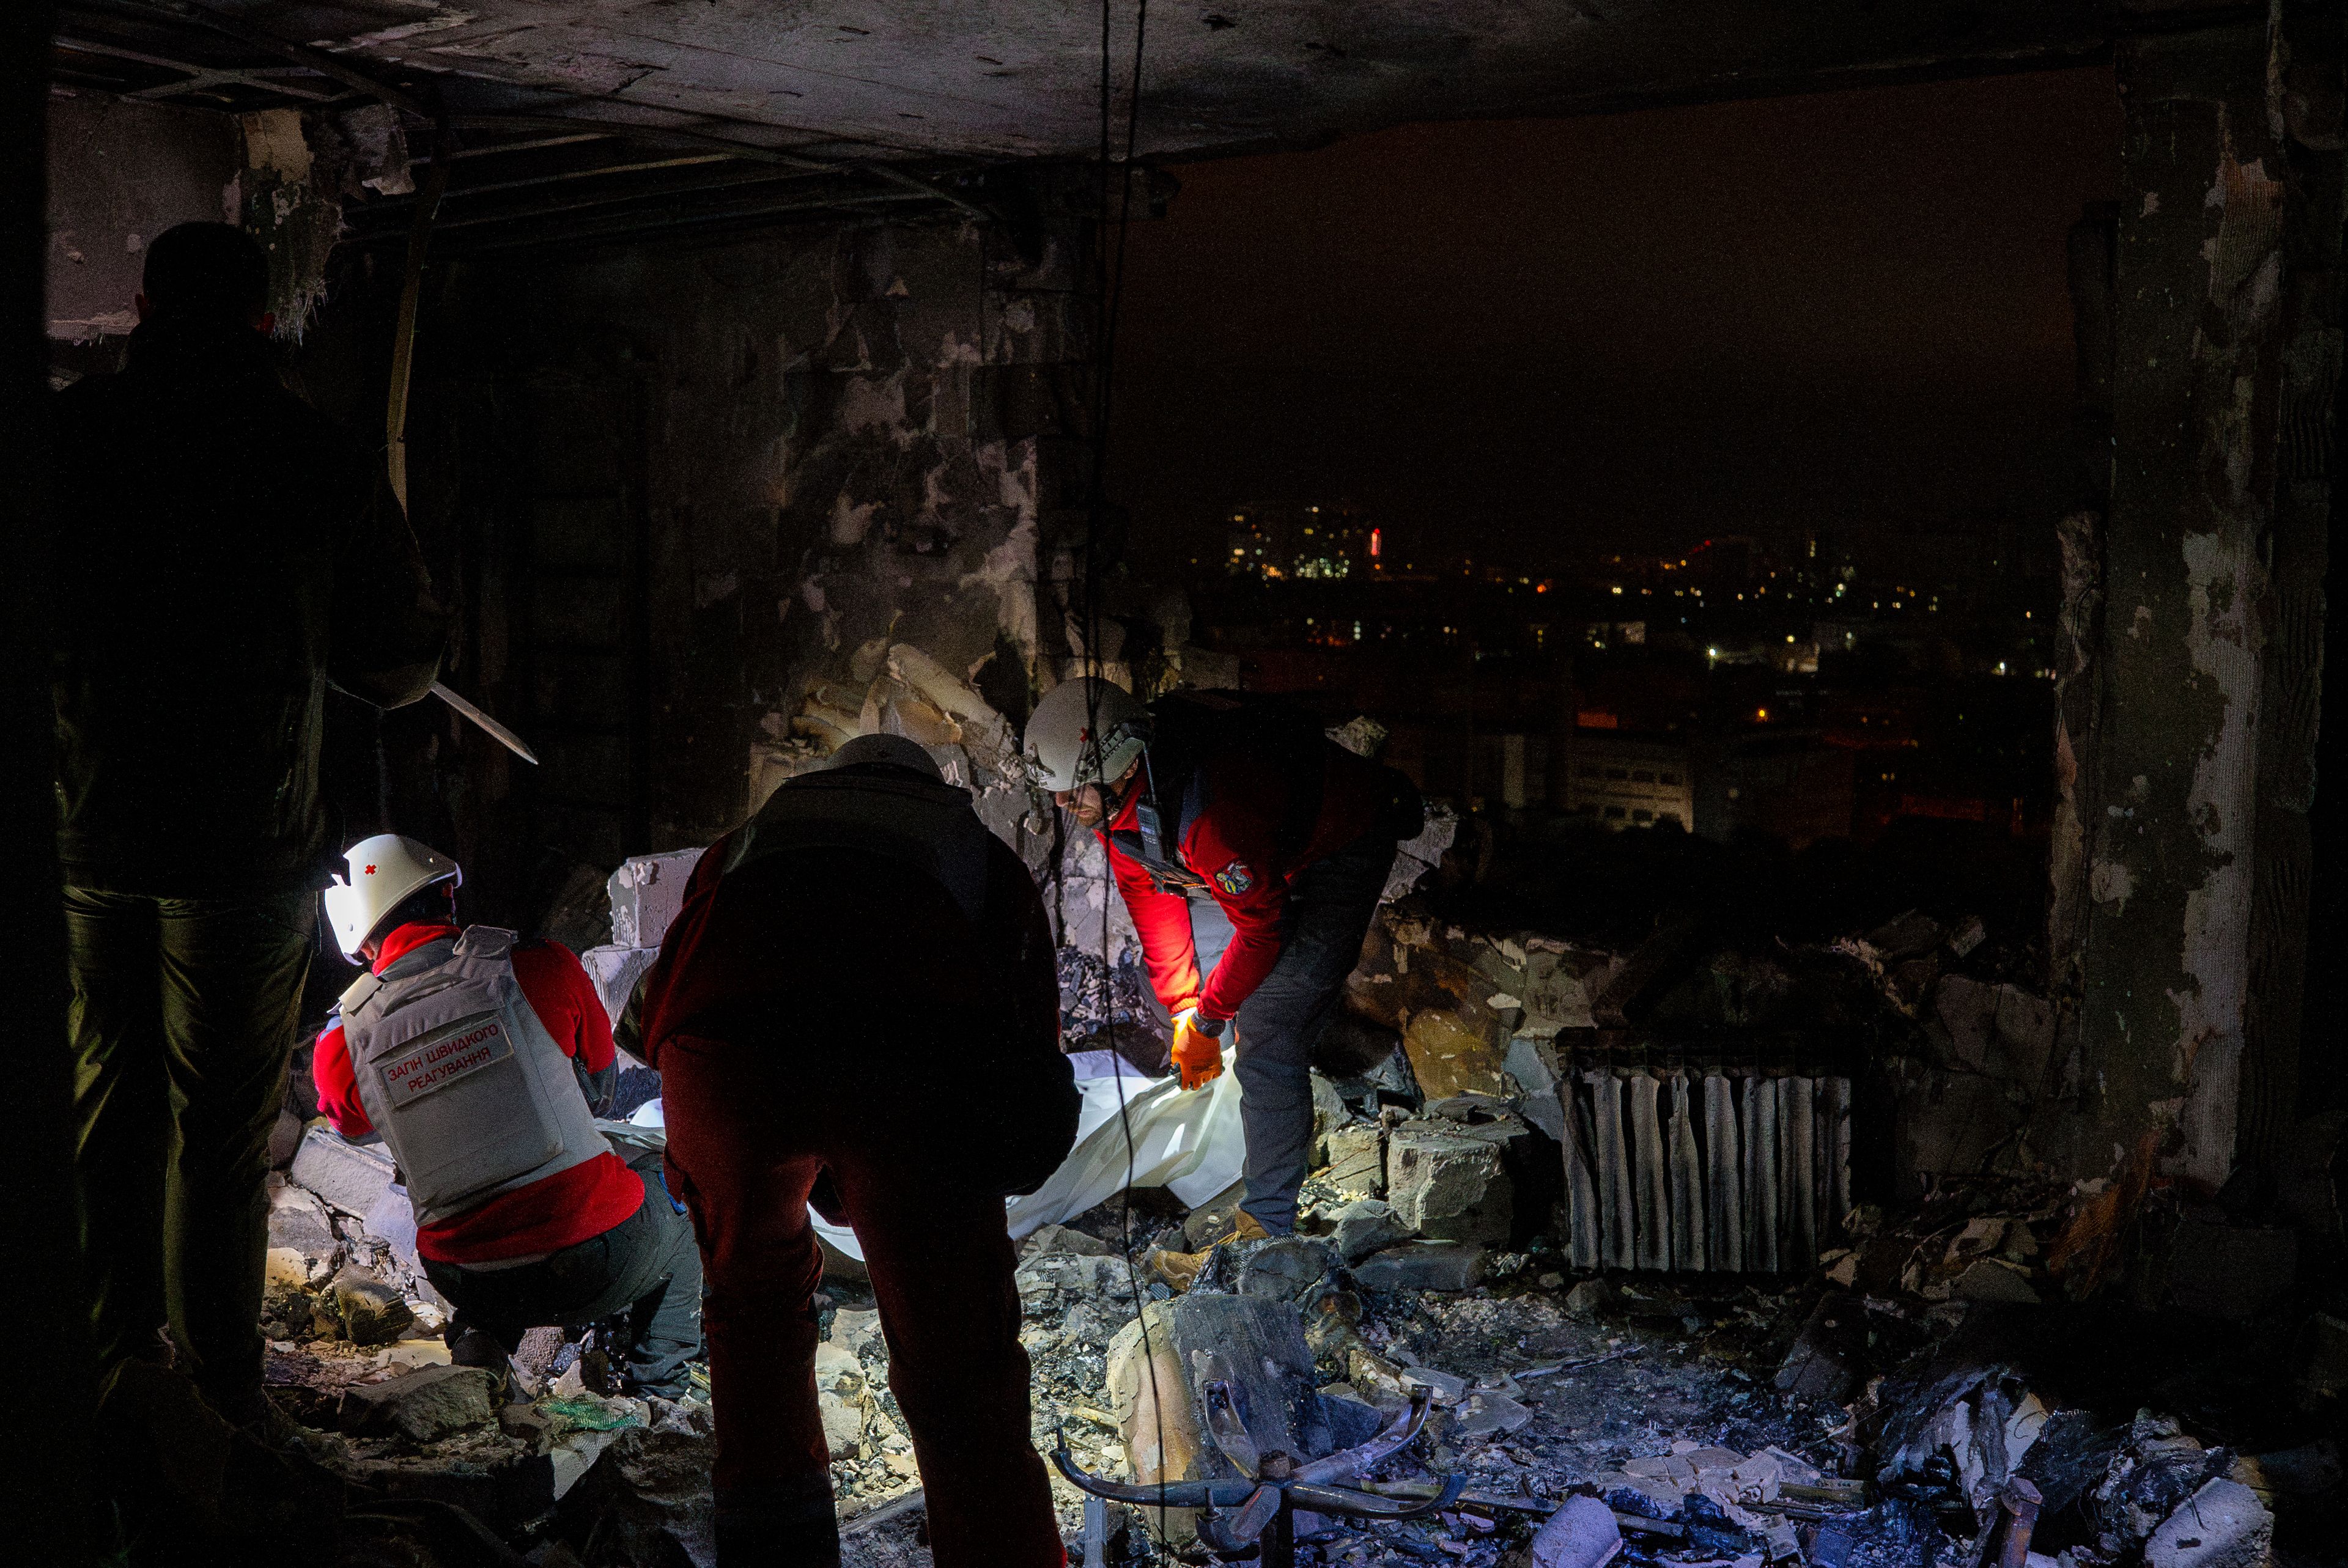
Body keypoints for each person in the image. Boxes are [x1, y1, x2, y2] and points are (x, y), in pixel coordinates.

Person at [48, 221, 448, 1428]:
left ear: (140, 308)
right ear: (266, 321)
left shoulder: (68, 439)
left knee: (100, 1098)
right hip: (241, 850)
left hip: (85, 835)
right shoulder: (308, 454)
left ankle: (111, 1357)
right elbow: (400, 660)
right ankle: (220, 1384)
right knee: (217, 1128)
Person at [618, 733, 1079, 1568]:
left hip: (722, 1069)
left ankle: (774, 1553)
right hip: (904, 1070)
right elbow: (1029, 1060)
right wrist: (982, 1178)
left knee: (751, 1323)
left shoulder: (744, 841)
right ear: (926, 784)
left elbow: (666, 997)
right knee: (957, 1362)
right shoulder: (978, 853)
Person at [1022, 679, 1422, 1239]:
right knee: (1185, 996)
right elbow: (1150, 892)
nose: (1064, 805)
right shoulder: (1119, 806)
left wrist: (1210, 1021)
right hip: (1268, 852)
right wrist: (1186, 1006)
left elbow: (1262, 930)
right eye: (1057, 792)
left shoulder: (1210, 821)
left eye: (1074, 790)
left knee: (1267, 1027)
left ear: (1123, 766)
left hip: (1342, 846)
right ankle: (1249, 1130)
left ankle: (1267, 1223)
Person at [311, 834, 703, 1396]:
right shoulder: (539, 964)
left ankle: (480, 1348)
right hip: (591, 1260)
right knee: (682, 1200)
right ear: (448, 898)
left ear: (359, 937)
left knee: (484, 1225)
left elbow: (358, 1125)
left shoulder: (341, 1042)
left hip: (466, 1276)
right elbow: (597, 1089)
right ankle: (655, 1394)